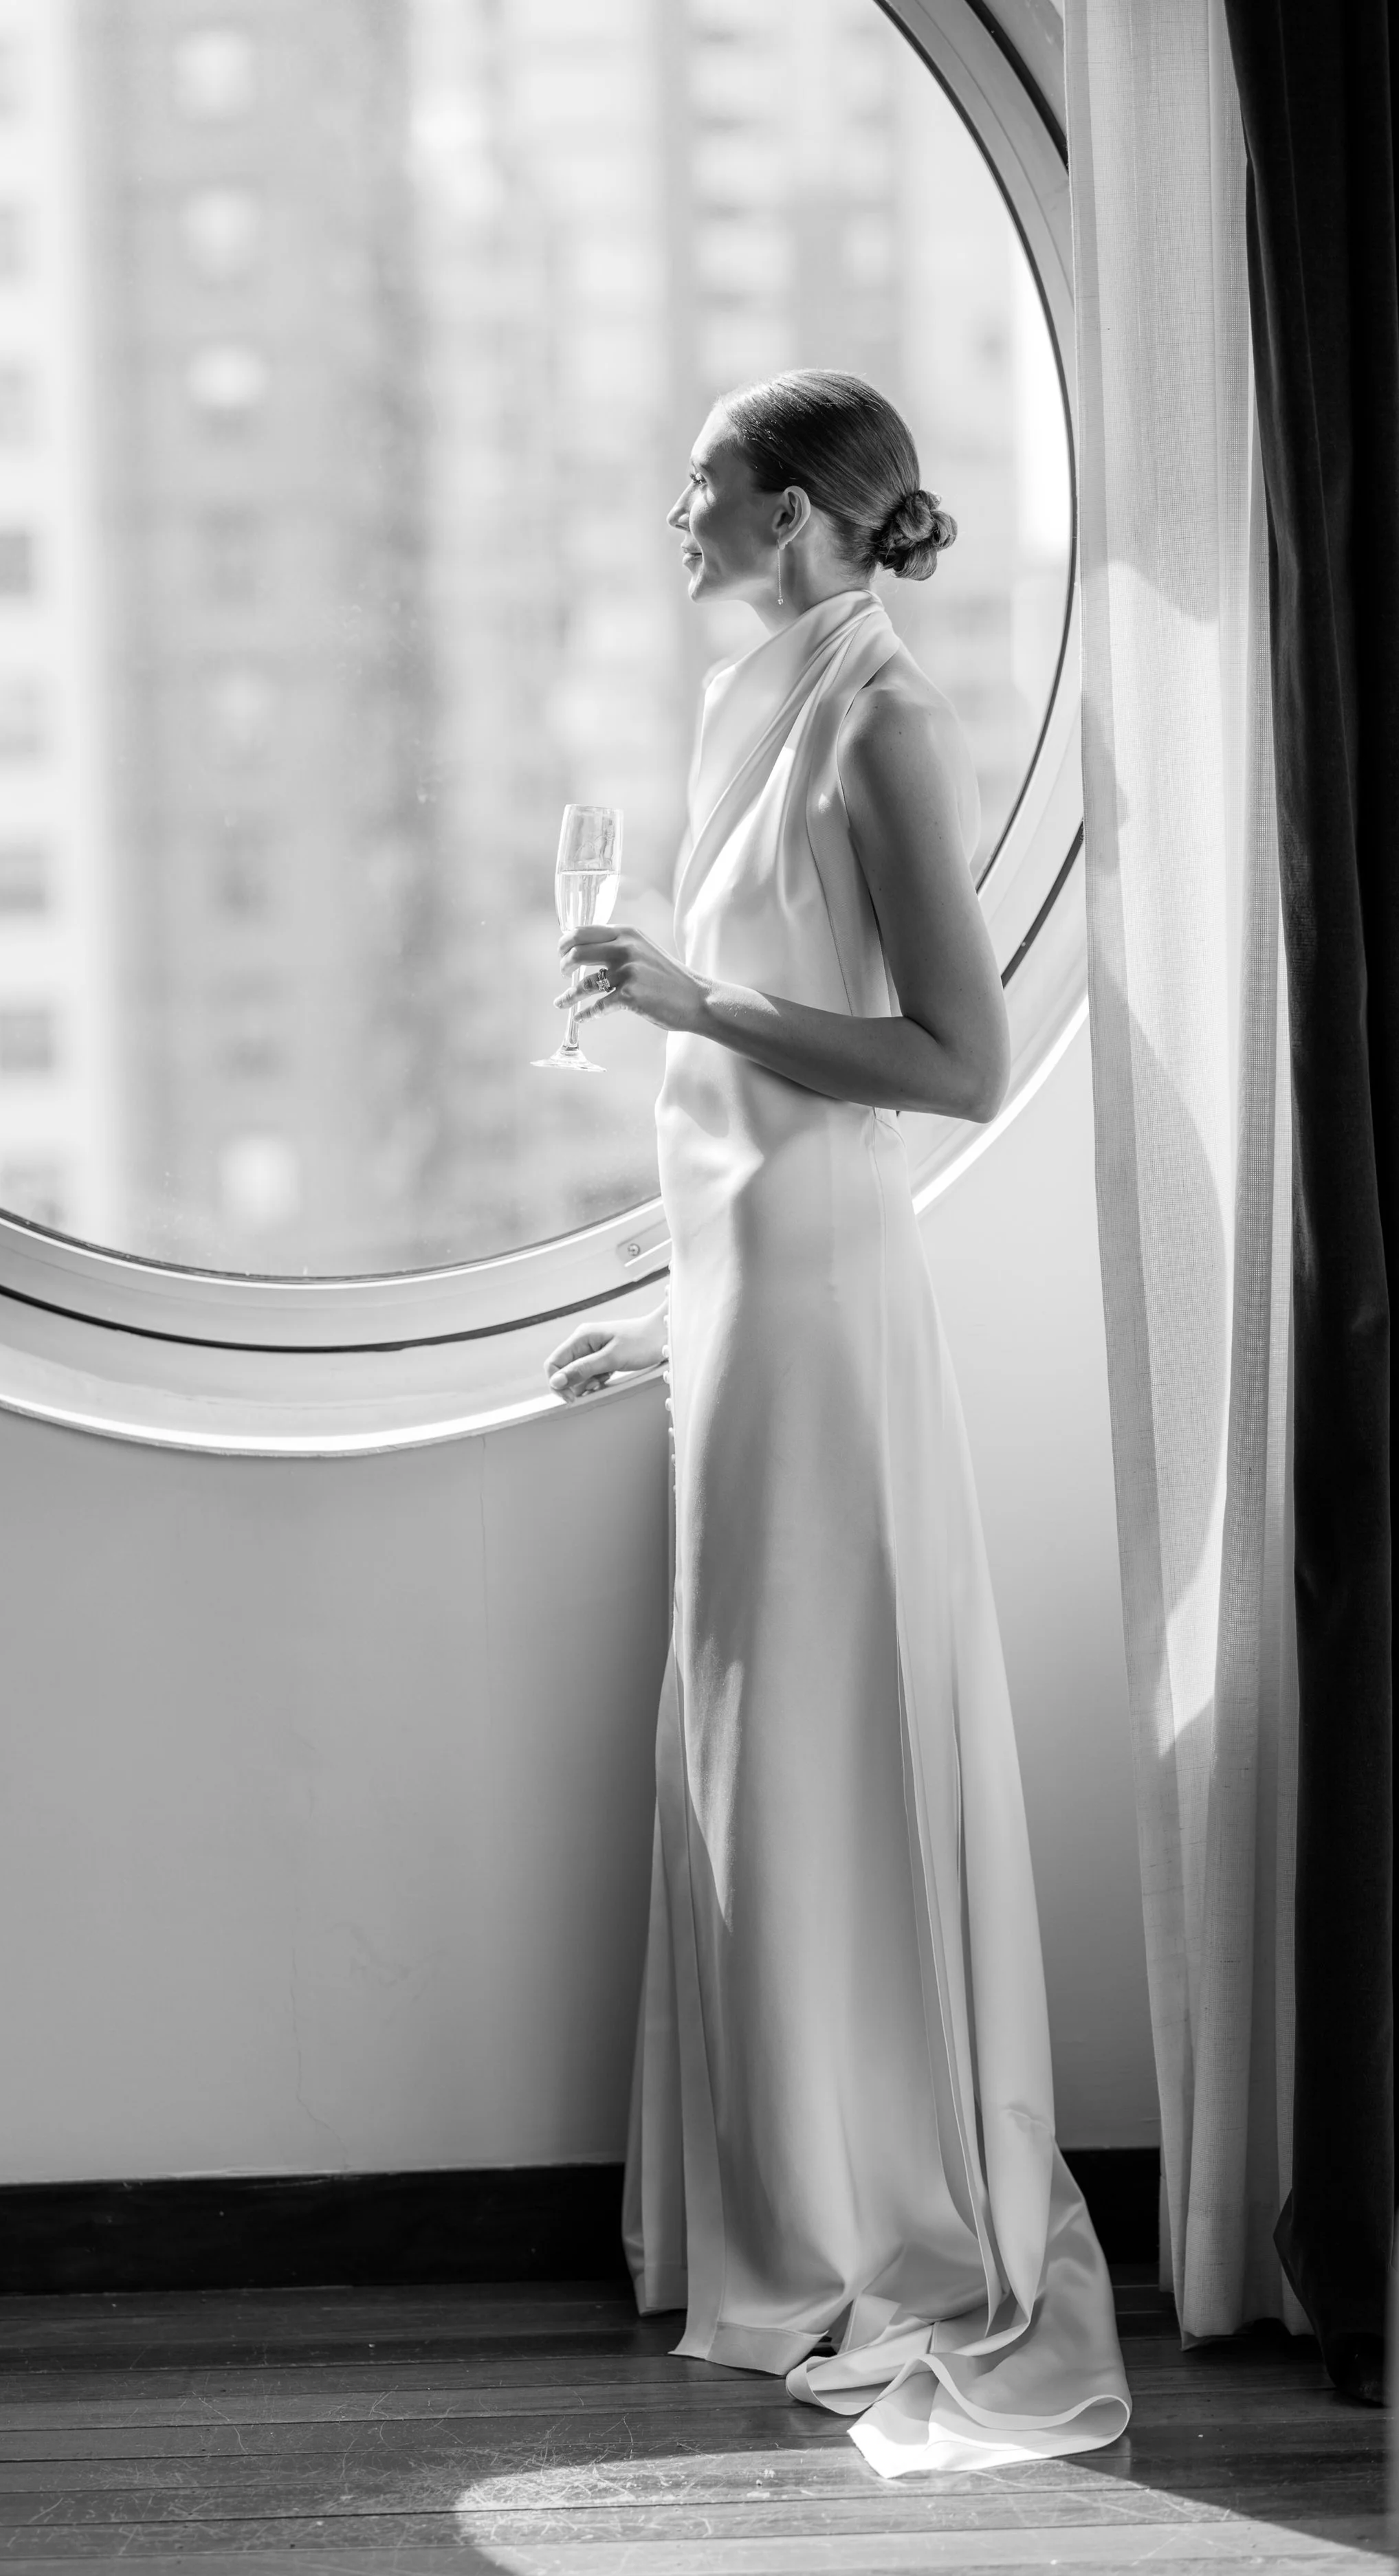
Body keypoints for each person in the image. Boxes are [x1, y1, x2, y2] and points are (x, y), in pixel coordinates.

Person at [544, 370, 1132, 2477]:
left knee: (827, 1750)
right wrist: (676, 1319)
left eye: (694, 486)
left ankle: (891, 2213)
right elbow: (742, 1103)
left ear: (793, 514)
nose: (665, 516)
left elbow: (955, 1061)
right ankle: (784, 2200)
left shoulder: (875, 714)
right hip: (752, 1308)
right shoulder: (763, 697)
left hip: (830, 1312)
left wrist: (689, 1001)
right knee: (751, 1760)